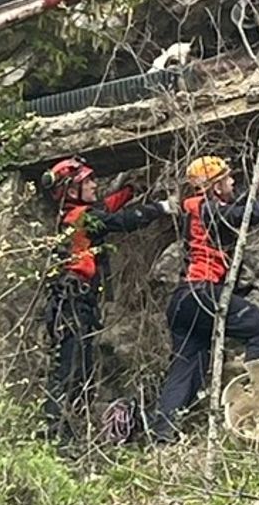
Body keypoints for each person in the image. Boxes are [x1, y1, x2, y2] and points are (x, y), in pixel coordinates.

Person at [150, 152, 259, 442]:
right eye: (227, 179)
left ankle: (162, 435)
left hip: (184, 301)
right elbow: (248, 215)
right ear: (216, 186)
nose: (233, 181)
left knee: (186, 367)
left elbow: (241, 202)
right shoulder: (208, 209)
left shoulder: (201, 209)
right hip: (203, 294)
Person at [38, 156, 174, 441]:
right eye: (87, 181)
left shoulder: (79, 217)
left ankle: (65, 434)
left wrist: (130, 192)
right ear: (71, 190)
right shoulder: (80, 219)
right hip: (74, 304)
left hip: (77, 303)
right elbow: (118, 220)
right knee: (71, 370)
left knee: (80, 368)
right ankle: (55, 436)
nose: (93, 184)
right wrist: (160, 207)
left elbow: (106, 209)